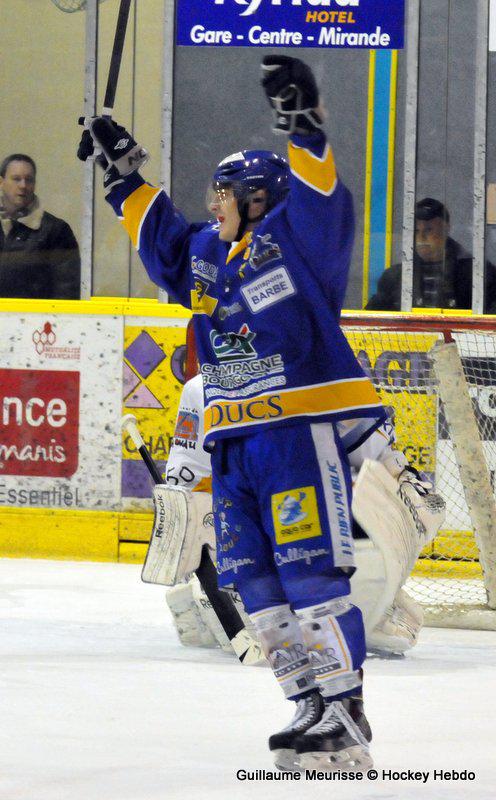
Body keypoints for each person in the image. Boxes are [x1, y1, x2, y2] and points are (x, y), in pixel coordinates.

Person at [80, 56, 390, 773]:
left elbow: (324, 197)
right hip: (232, 444)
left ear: (258, 197)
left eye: (225, 191)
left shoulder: (299, 241)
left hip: (293, 434)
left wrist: (303, 126)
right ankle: (307, 703)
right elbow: (161, 239)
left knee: (311, 576)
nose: (213, 202)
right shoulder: (206, 255)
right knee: (256, 586)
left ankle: (346, 711)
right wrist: (122, 173)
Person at [164, 371, 445, 658]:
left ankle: (358, 600)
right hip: (253, 529)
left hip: (307, 521)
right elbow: (186, 486)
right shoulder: (203, 389)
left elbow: (379, 470)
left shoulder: (324, 374)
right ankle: (218, 598)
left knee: (397, 511)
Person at [366, 197, 496, 312]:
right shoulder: (394, 278)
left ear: (446, 229)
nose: (421, 237)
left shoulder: (478, 275)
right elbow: (372, 322)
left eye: (428, 230)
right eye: (416, 231)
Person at [0, 154, 81, 299]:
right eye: (16, 179)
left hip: (37, 314)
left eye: (29, 179)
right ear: (1, 182)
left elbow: (67, 292)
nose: (23, 185)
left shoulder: (56, 230)